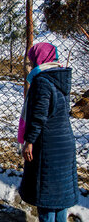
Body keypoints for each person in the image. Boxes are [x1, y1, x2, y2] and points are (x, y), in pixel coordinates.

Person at [18, 43, 78, 222]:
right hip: (65, 143)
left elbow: (38, 116)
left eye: (31, 61)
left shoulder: (42, 81)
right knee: (59, 200)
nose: (29, 65)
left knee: (45, 199)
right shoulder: (59, 78)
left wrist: (29, 141)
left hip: (48, 146)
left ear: (40, 59)